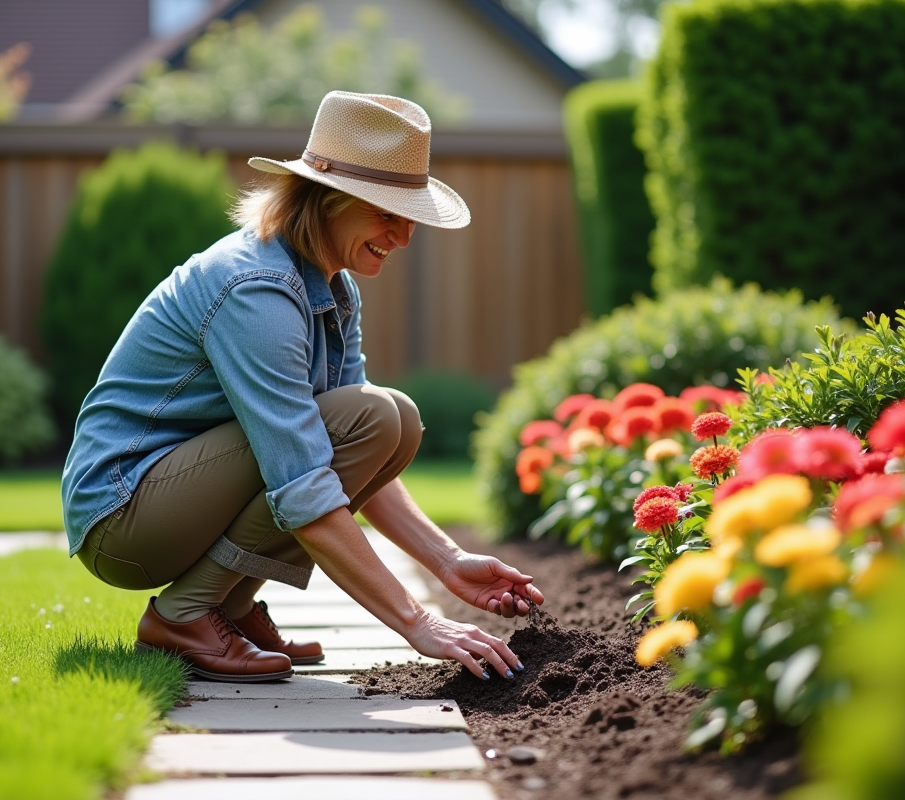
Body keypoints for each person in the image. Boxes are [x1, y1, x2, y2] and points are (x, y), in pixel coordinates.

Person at [61, 90, 544, 683]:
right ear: (329, 200)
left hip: (169, 497)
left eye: (409, 216)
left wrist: (448, 561)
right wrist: (418, 622)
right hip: (123, 513)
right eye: (388, 213)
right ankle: (187, 613)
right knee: (372, 420)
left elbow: (355, 453)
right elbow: (303, 476)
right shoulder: (256, 289)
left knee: (392, 422)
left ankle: (228, 608)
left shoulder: (330, 286)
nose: (405, 237)